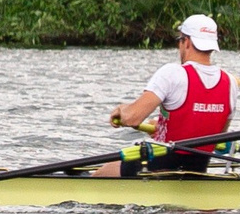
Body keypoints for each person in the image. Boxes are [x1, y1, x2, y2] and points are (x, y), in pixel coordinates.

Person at [95, 13, 232, 175]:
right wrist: (161, 129)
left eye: (179, 41)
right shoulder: (230, 83)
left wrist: (121, 110)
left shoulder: (172, 73)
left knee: (104, 171)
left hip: (161, 167)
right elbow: (215, 133)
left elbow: (132, 117)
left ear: (186, 42)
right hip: (197, 169)